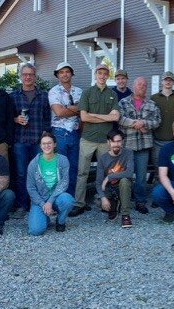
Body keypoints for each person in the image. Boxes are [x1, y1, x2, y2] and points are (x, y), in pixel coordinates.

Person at [71, 63, 120, 217]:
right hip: (88, 139)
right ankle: (79, 203)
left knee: (107, 172)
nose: (102, 76)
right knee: (82, 172)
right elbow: (84, 116)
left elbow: (116, 117)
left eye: (105, 73)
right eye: (99, 73)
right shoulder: (87, 93)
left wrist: (95, 116)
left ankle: (105, 202)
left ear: (108, 75)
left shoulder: (112, 94)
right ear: (95, 75)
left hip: (105, 140)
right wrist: (106, 117)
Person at [9, 62, 51, 213]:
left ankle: (38, 204)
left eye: (31, 74)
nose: (28, 77)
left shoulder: (44, 95)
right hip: (20, 141)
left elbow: (47, 118)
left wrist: (46, 135)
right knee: (21, 174)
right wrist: (15, 119)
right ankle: (22, 205)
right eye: (25, 74)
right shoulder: (13, 96)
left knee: (39, 174)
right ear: (21, 76)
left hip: (38, 141)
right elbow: (7, 117)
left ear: (35, 77)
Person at [118, 77, 161, 214]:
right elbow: (119, 118)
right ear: (134, 86)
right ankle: (124, 201)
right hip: (128, 145)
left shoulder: (152, 104)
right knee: (127, 175)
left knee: (141, 177)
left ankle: (140, 201)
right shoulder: (123, 102)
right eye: (139, 84)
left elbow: (157, 121)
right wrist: (137, 124)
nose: (142, 86)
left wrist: (144, 124)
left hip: (144, 145)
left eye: (144, 84)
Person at [26, 131, 75, 235]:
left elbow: (64, 183)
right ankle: (45, 217)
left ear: (55, 144)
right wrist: (43, 203)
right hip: (40, 199)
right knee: (35, 231)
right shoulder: (33, 164)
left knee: (68, 200)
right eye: (44, 143)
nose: (47, 146)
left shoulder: (63, 160)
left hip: (56, 197)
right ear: (40, 146)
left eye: (49, 143)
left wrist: (50, 201)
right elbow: (31, 188)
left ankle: (60, 221)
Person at [48, 61, 82, 195]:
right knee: (60, 167)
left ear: (71, 74)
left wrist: (66, 107)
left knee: (74, 167)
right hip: (59, 133)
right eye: (61, 72)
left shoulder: (79, 91)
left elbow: (83, 111)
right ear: (57, 75)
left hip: (75, 132)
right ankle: (58, 197)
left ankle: (70, 197)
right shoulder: (54, 91)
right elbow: (59, 113)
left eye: (67, 71)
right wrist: (75, 109)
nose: (65, 74)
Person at [96, 130, 135, 228]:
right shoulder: (103, 158)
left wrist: (109, 177)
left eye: (119, 141)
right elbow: (99, 181)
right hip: (110, 188)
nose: (116, 144)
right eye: (113, 141)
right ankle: (114, 205)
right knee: (98, 201)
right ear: (108, 142)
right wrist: (103, 198)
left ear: (122, 141)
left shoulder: (128, 153)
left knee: (125, 181)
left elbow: (129, 173)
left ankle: (125, 215)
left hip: (123, 186)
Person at [149, 71, 174, 168]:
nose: (168, 82)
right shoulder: (153, 98)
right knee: (158, 167)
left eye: (170, 80)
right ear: (162, 82)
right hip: (157, 139)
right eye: (166, 80)